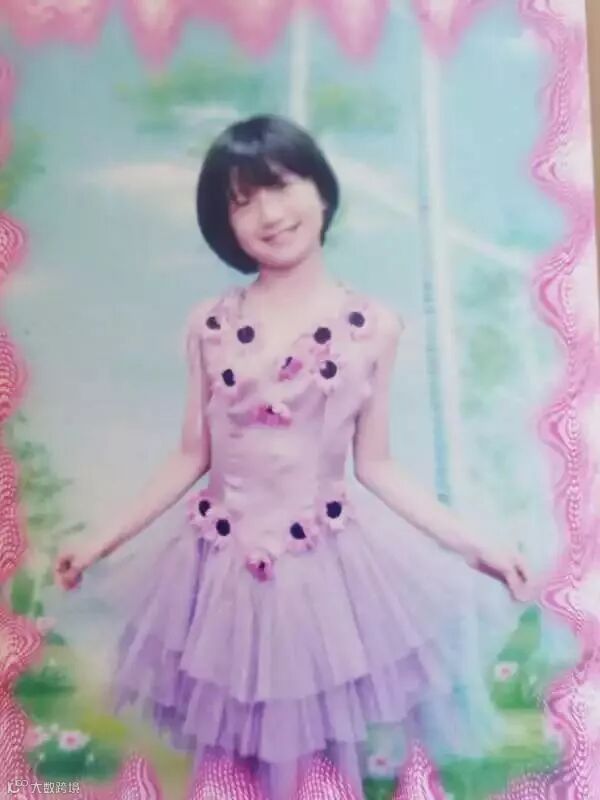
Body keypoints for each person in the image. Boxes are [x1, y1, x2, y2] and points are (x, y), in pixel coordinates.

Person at [55, 114, 531, 799]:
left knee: (316, 773)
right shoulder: (209, 324)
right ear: (225, 224)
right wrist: (100, 541)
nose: (269, 214)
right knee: (228, 769)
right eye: (242, 201)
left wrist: (476, 546)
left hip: (321, 578)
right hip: (219, 576)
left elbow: (378, 466)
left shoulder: (374, 327)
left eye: (280, 186)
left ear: (321, 192)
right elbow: (191, 454)